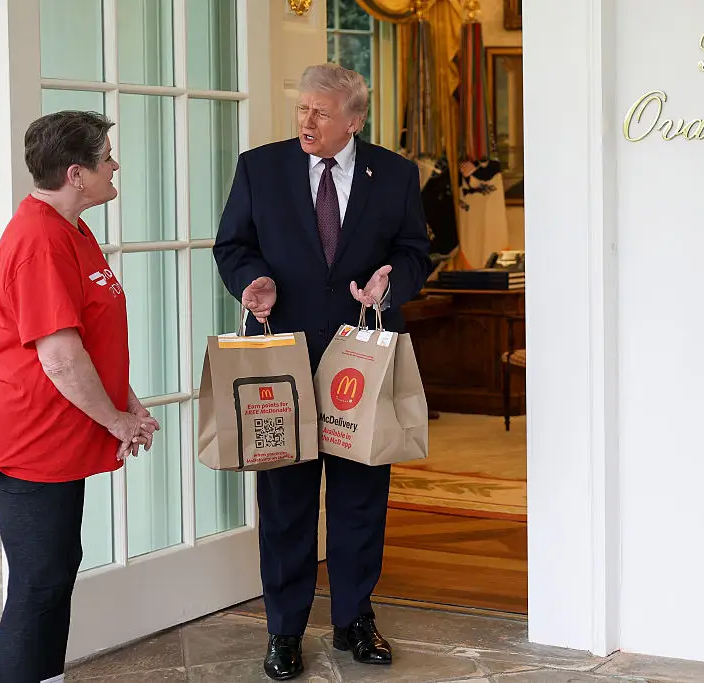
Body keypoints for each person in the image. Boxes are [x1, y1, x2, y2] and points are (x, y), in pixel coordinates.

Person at [213, 63, 432, 680]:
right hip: (283, 355)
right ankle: (283, 630)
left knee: (362, 496)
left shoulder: (394, 173)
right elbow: (232, 245)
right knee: (286, 499)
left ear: (354, 121)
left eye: (321, 113)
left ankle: (355, 620)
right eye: (302, 108)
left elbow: (415, 250)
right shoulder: (261, 166)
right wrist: (250, 280)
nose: (306, 121)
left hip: (363, 355)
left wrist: (393, 282)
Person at [0, 110, 160, 683]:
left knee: (54, 572)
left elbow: (87, 339)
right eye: (106, 159)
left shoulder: (73, 227)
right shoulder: (40, 239)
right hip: (28, 435)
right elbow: (60, 357)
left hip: (59, 429)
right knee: (38, 582)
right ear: (76, 173)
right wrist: (117, 422)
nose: (114, 165)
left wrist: (128, 402)